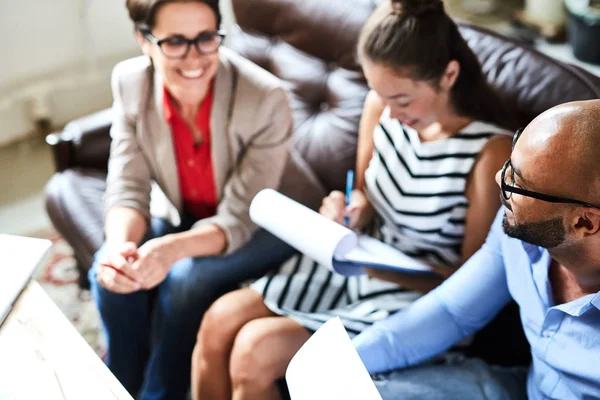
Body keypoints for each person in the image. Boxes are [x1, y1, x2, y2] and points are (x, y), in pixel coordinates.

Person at [191, 0, 515, 399]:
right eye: (381, 94)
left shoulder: (489, 154)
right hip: (352, 265)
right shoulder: (380, 105)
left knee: (254, 352)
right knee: (218, 319)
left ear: (448, 75)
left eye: (404, 100)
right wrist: (351, 211)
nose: (392, 114)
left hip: (414, 300)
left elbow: (471, 288)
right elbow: (362, 192)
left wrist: (387, 271)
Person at [87, 0, 299, 399]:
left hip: (267, 223)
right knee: (110, 273)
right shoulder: (130, 83)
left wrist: (170, 251)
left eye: (205, 39)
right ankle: (118, 384)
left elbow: (238, 218)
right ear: (144, 41)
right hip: (186, 211)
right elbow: (128, 186)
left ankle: (160, 393)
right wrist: (121, 248)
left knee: (186, 278)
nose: (194, 58)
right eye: (175, 42)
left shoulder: (265, 98)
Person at [354, 99, 600, 400]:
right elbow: (451, 311)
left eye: (517, 182)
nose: (499, 178)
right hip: (517, 389)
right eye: (510, 162)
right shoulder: (520, 231)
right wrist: (344, 362)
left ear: (584, 222)